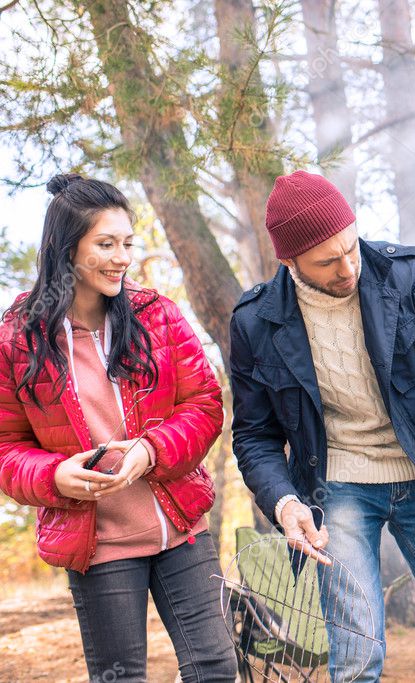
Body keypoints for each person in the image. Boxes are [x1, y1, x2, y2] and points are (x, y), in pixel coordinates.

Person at [229, 170, 415, 681]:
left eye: (350, 247)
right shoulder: (255, 320)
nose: (348, 267)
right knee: (358, 661)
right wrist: (284, 502)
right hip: (335, 486)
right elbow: (254, 435)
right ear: (289, 262)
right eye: (327, 261)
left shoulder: (408, 273)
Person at [0, 174, 236, 682]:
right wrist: (53, 476)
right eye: (105, 244)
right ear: (65, 250)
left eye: (127, 243)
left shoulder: (158, 317)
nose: (122, 257)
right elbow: (6, 446)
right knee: (120, 677)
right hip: (97, 541)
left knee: (215, 667)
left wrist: (151, 450)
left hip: (180, 527)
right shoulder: (18, 339)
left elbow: (204, 404)